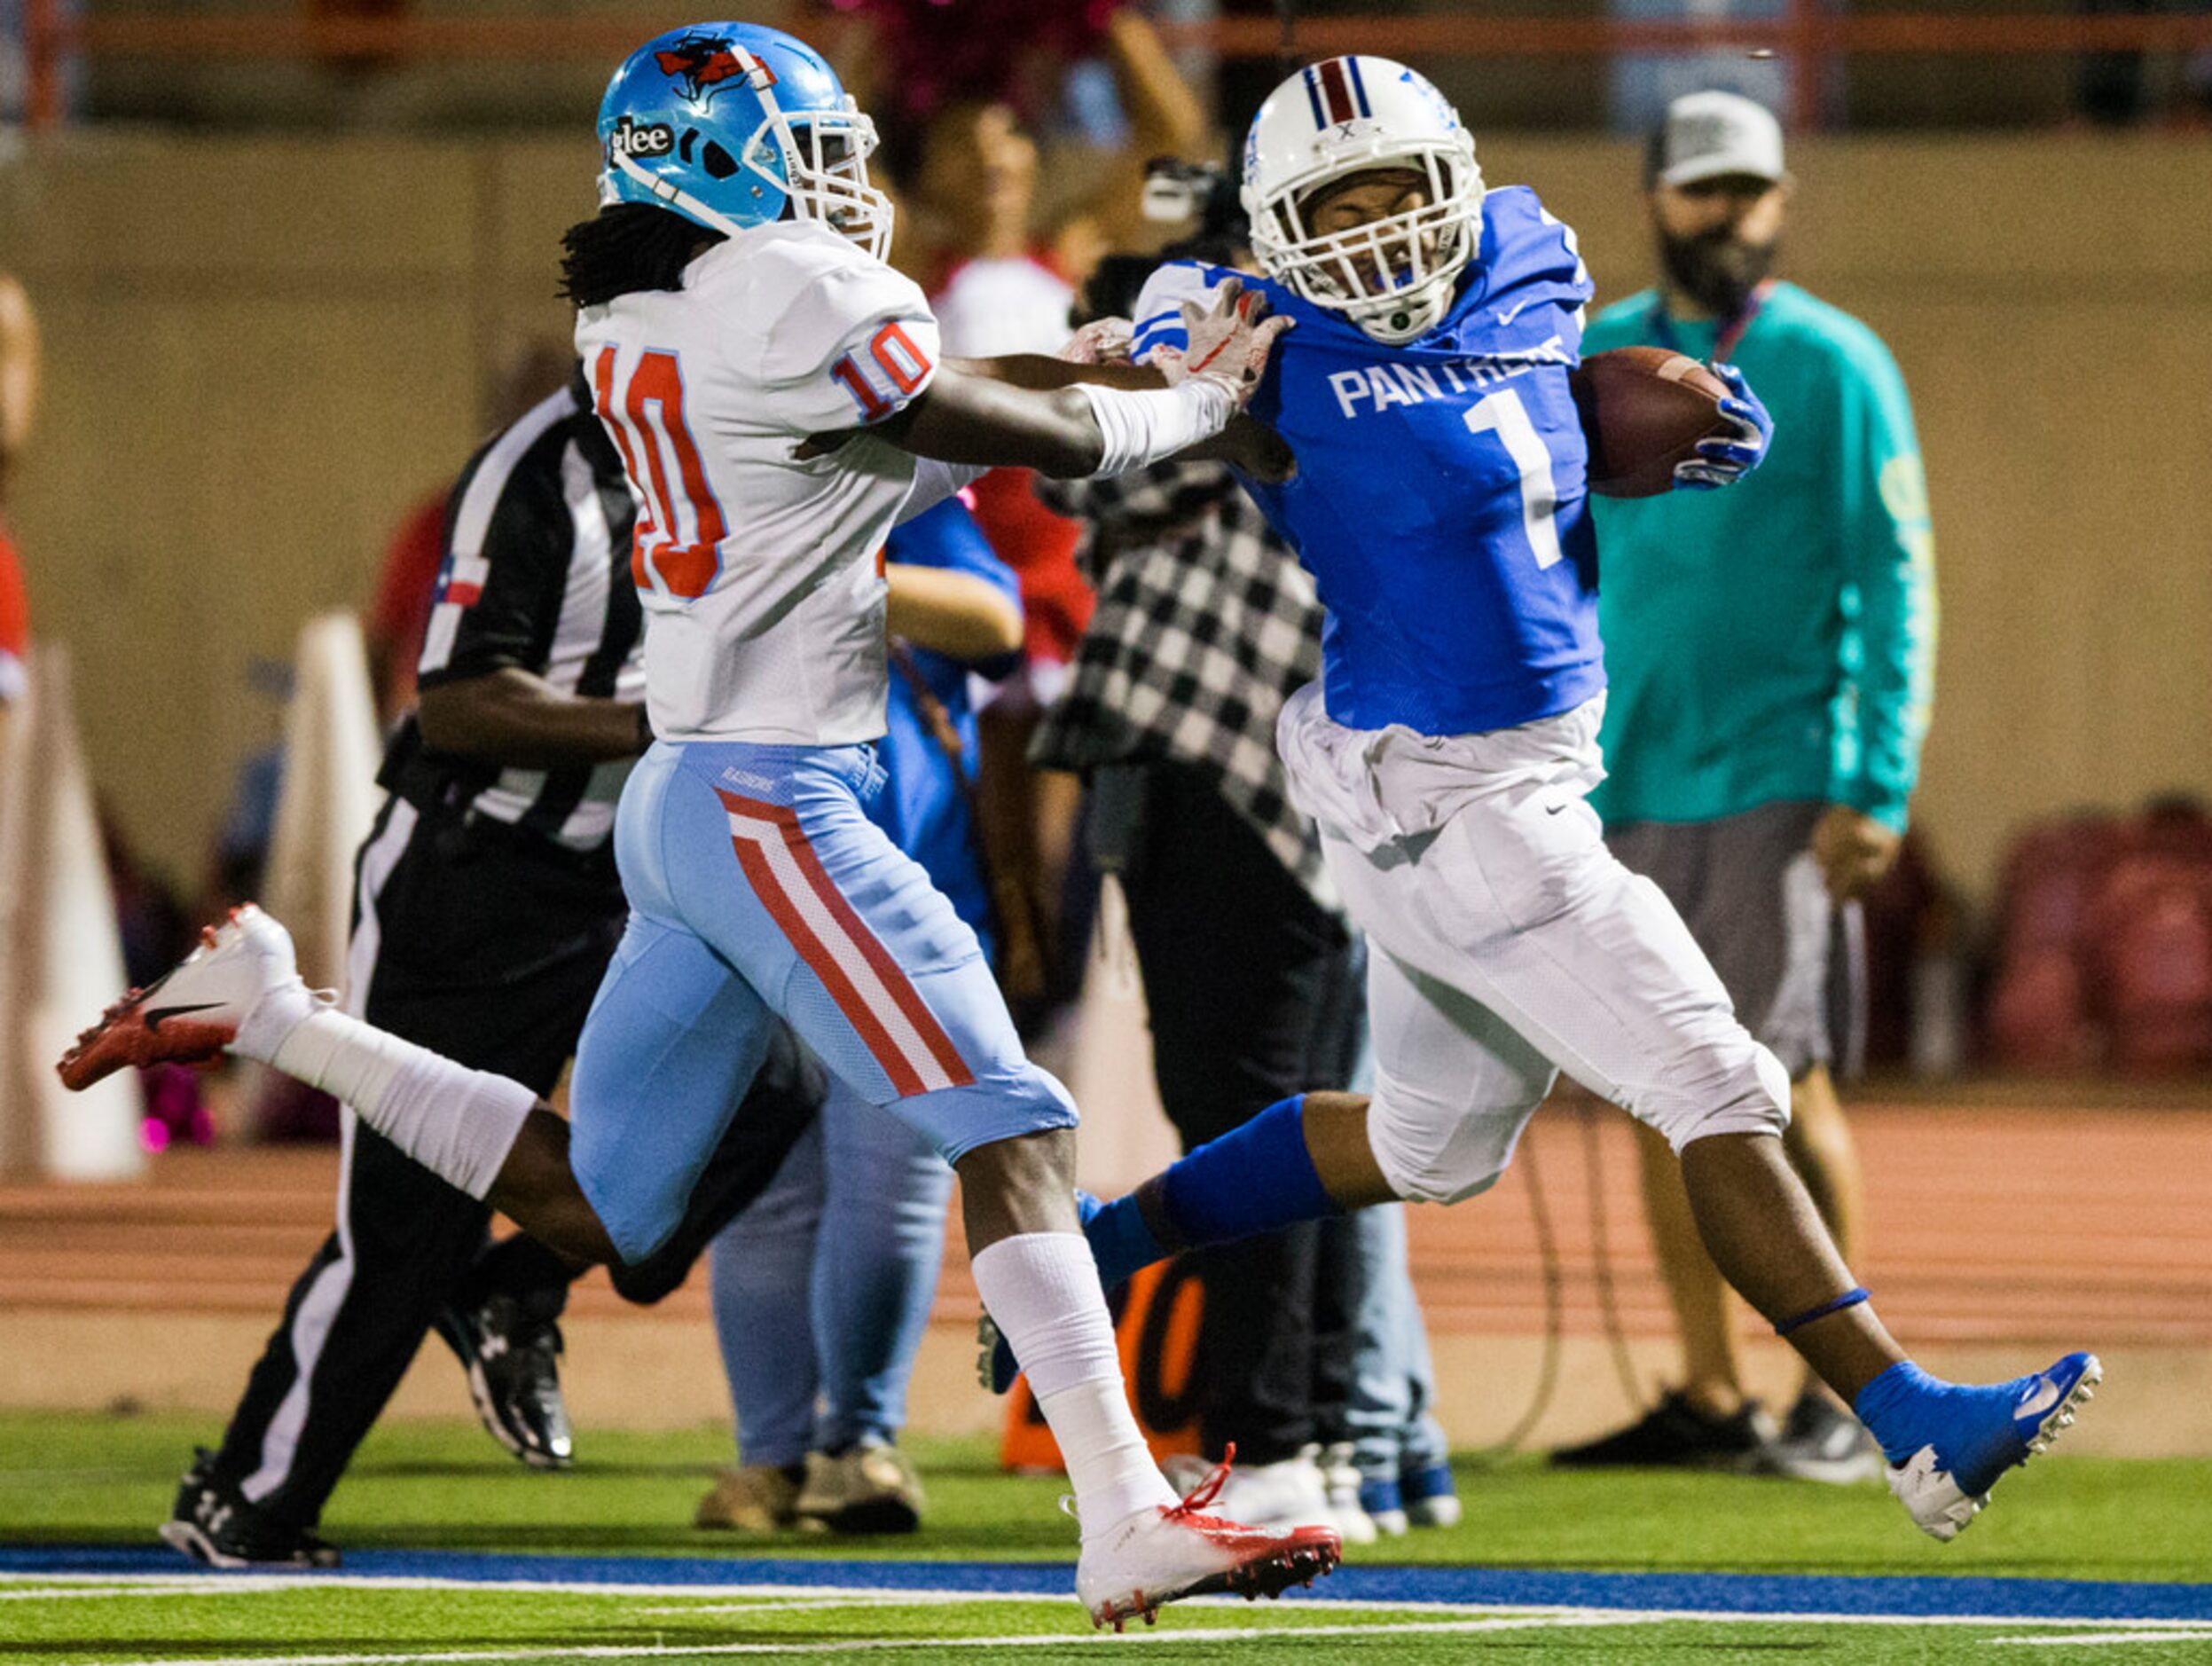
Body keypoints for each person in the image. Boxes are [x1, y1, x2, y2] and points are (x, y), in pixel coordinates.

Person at [61, 21, 1337, 1630]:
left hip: (683, 801)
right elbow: (1015, 443)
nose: (847, 184)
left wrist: (1093, 366)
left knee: (605, 1210)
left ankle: (279, 1014)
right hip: (773, 800)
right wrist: (1188, 403)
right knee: (1015, 1129)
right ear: (725, 164)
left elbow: (880, 441)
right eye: (817, 156)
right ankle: (1123, 1518)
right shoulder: (797, 294)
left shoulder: (642, 309)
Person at [988, 52, 2098, 1547]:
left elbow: (1550, 424)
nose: (1375, 237)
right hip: (1451, 791)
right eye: (1336, 209)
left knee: (1426, 1145)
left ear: (1450, 183)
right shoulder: (1244, 329)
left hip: (1503, 767)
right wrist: (914, 409)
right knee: (1715, 1081)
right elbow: (1081, 412)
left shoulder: (1527, 256)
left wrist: (1662, 424)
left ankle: (1102, 1238)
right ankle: (1904, 1419)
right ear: (1271, 225)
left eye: (1396, 197)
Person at [156, 371, 825, 1569]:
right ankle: (249, 1493)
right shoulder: (542, 472)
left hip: (634, 870)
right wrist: (662, 727)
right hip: (477, 870)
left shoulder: (741, 442)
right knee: (409, 1216)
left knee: (778, 1075)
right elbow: (458, 704)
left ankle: (517, 1285)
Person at [1549, 90, 1936, 1485]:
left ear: (1780, 200)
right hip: (1618, 770)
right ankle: (1710, 1391)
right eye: (1702, 188)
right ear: (1654, 195)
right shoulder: (1590, 358)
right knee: (1664, 1089)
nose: (1729, 212)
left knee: (1782, 1078)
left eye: (1751, 190)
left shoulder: (1838, 364)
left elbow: (1894, 581)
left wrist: (1875, 780)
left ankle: (1838, 1396)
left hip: (1780, 772)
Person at [1028, 202, 1374, 1537]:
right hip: (1325, 781)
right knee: (1315, 1120)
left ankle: (1273, 1438)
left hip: (1234, 773)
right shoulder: (1389, 360)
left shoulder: (1267, 356)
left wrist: (1143, 325)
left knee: (1249, 1122)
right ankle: (1329, 1432)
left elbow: (1086, 470)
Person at [699, 498, 1024, 1536]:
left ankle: (860, 1443)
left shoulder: (901, 487)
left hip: (903, 899)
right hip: (747, 891)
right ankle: (772, 1458)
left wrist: (825, 576)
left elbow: (996, 622)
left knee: (890, 1189)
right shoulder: (694, 485)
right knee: (766, 1192)